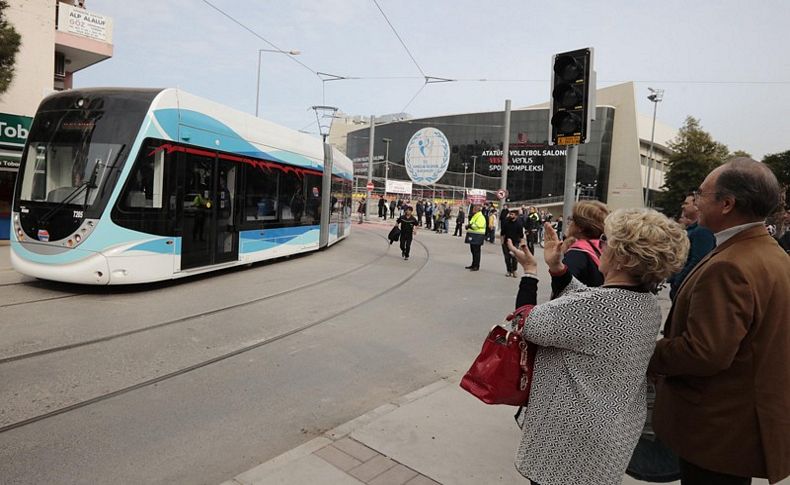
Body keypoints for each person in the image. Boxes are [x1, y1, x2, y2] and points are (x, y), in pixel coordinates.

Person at [506, 208, 689, 485]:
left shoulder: (596, 306)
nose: (600, 246)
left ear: (623, 257)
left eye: (607, 240)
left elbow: (524, 325)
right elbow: (587, 301)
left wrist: (530, 273)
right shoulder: (647, 303)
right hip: (610, 434)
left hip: (569, 441)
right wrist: (558, 269)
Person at [648, 158, 790, 485]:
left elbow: (705, 352)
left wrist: (649, 353)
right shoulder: (768, 253)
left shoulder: (731, 266)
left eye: (702, 193)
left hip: (718, 427)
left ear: (727, 204)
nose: (696, 200)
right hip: (740, 420)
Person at [666, 192, 716, 300]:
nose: (682, 206)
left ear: (696, 206)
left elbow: (697, 261)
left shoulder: (702, 231)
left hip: (686, 288)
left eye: (686, 203)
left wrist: (678, 282)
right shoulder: (694, 229)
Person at [562, 200, 609, 287]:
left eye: (572, 220)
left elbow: (562, 288)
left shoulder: (577, 252)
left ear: (580, 227)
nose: (570, 223)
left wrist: (554, 265)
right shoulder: (606, 247)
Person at [499, 208, 523, 277]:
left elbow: (521, 235)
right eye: (510, 214)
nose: (510, 215)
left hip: (515, 242)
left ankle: (514, 270)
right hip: (506, 242)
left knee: (514, 257)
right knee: (507, 257)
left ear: (516, 216)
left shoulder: (519, 224)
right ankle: (508, 270)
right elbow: (502, 233)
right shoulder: (506, 222)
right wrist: (502, 242)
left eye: (512, 214)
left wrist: (521, 244)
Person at [465, 204, 486, 271]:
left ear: (477, 210)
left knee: (476, 252)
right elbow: (471, 223)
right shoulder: (475, 216)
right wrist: (469, 225)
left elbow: (477, 225)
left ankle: (476, 266)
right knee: (473, 251)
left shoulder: (480, 217)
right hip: (473, 235)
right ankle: (473, 264)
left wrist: (469, 226)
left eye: (474, 209)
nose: (473, 210)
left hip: (478, 236)